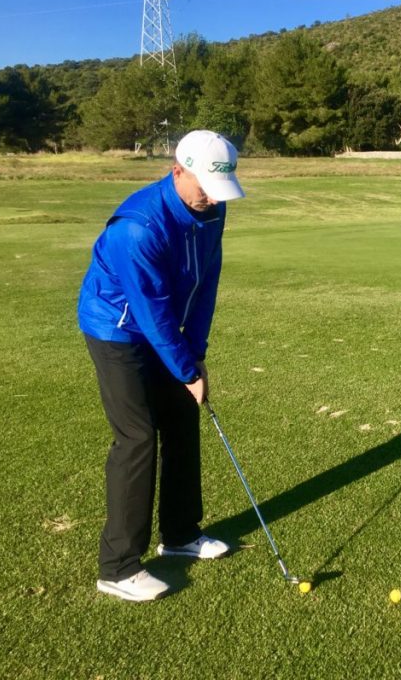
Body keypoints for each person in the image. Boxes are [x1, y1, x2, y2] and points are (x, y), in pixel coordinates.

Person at [78, 130, 245, 601]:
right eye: (205, 187)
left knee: (182, 418)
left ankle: (180, 535)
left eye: (220, 189)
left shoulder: (214, 208)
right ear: (177, 171)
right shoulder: (138, 227)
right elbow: (149, 311)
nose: (212, 198)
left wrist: (198, 355)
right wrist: (185, 370)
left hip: (165, 325)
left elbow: (206, 283)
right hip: (118, 329)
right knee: (137, 437)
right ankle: (118, 567)